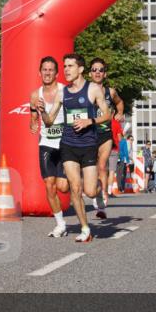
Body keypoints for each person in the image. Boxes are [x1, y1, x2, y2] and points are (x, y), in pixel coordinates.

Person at [41, 54, 111, 243]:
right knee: (74, 188)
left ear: (80, 69)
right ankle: (85, 228)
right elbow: (49, 122)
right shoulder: (62, 92)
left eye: (70, 66)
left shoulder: (93, 89)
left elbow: (107, 115)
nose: (66, 70)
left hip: (88, 145)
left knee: (89, 191)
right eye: (64, 66)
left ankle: (98, 192)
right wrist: (42, 112)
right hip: (68, 145)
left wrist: (90, 121)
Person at [29, 56, 69, 237]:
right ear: (39, 72)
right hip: (46, 143)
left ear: (56, 73)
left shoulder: (64, 91)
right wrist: (33, 124)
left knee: (63, 187)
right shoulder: (34, 95)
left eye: (51, 70)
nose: (47, 73)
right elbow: (32, 118)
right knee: (49, 186)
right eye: (44, 70)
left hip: (65, 143)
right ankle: (60, 224)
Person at [88, 58, 125, 219]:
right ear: (89, 73)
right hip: (88, 134)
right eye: (94, 69)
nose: (97, 72)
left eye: (100, 70)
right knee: (91, 168)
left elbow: (119, 102)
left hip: (105, 134)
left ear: (105, 74)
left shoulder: (111, 92)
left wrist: (120, 113)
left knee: (102, 165)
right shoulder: (85, 90)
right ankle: (95, 193)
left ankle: (103, 196)